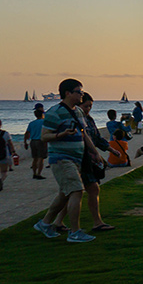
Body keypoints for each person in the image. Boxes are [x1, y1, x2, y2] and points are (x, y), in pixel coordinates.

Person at [32, 78, 98, 243]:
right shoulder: (54, 112)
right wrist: (61, 135)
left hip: (76, 158)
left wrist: (94, 152)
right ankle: (75, 232)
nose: (81, 94)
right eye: (79, 91)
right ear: (68, 93)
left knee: (65, 194)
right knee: (76, 191)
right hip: (62, 159)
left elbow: (83, 133)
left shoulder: (78, 112)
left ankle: (45, 223)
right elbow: (44, 136)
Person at [54, 93, 113, 232]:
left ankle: (56, 221)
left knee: (71, 192)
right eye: (86, 106)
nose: (88, 109)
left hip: (88, 159)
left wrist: (110, 149)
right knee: (87, 190)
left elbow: (96, 138)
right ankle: (94, 223)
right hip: (80, 160)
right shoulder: (74, 121)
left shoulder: (89, 120)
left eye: (90, 106)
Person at [24, 104, 47, 179]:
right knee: (41, 158)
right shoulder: (44, 122)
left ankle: (34, 173)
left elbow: (27, 133)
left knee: (35, 158)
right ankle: (39, 173)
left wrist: (25, 142)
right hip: (41, 141)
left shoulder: (32, 123)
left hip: (33, 141)